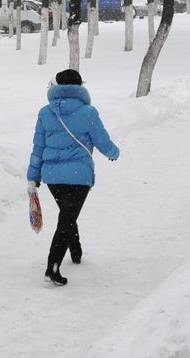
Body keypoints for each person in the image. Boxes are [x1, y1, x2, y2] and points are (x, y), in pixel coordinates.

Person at [26, 68, 120, 286]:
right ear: (79, 87)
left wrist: (33, 176)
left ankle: (76, 252)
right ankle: (52, 269)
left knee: (67, 213)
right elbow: (102, 141)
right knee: (67, 218)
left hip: (53, 178)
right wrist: (114, 153)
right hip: (79, 177)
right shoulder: (88, 112)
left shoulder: (45, 112)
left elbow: (38, 147)